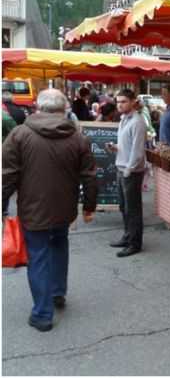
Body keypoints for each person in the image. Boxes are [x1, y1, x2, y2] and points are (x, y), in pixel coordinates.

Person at [2, 89, 97, 332]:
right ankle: (57, 293)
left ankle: (43, 314)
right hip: (64, 208)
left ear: (38, 106)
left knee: (38, 256)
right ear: (64, 108)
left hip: (33, 209)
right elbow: (89, 176)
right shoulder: (78, 138)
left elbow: (7, 175)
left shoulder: (19, 134)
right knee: (59, 245)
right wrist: (89, 206)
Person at [106, 89, 147, 258]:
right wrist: (115, 148)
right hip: (121, 168)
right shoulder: (124, 119)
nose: (119, 105)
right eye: (118, 102)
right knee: (124, 207)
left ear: (132, 102)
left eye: (123, 101)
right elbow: (127, 146)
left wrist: (129, 170)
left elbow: (137, 151)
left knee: (133, 209)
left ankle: (134, 243)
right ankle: (127, 236)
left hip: (131, 172)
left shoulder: (137, 122)